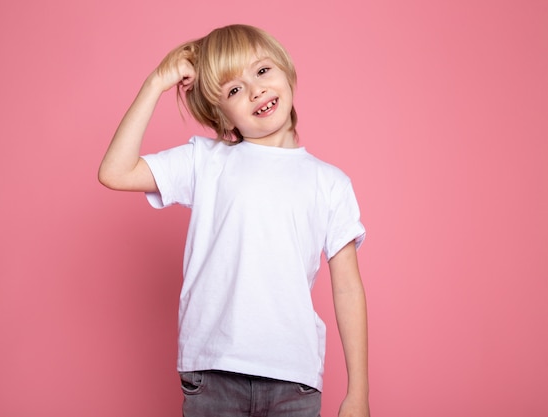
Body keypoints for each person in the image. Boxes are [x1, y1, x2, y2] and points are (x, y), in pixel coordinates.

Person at [99, 24, 370, 417]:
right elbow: (115, 171)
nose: (255, 90)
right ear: (223, 118)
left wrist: (357, 392)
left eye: (261, 71)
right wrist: (157, 82)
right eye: (233, 90)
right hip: (214, 372)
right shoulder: (205, 161)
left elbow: (347, 290)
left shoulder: (330, 183)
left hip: (293, 377)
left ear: (286, 71)